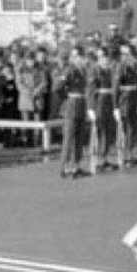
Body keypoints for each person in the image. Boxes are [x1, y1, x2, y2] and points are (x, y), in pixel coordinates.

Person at [56, 46, 89, 178]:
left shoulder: (82, 71)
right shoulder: (70, 70)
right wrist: (67, 97)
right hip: (72, 105)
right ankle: (64, 167)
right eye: (74, 56)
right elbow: (58, 87)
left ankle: (76, 166)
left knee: (79, 138)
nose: (77, 59)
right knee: (69, 138)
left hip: (81, 104)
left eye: (79, 56)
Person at [112, 44, 137, 166]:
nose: (130, 57)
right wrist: (115, 106)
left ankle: (130, 154)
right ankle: (124, 156)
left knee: (133, 128)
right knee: (126, 128)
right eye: (127, 54)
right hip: (124, 100)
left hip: (133, 99)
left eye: (131, 54)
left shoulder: (134, 67)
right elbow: (115, 88)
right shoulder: (121, 67)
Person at [87, 46, 117, 171]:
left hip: (109, 102)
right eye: (101, 57)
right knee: (100, 131)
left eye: (105, 57)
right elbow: (91, 90)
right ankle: (98, 159)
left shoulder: (110, 70)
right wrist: (91, 108)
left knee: (109, 130)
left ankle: (105, 158)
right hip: (99, 102)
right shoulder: (95, 70)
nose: (104, 60)